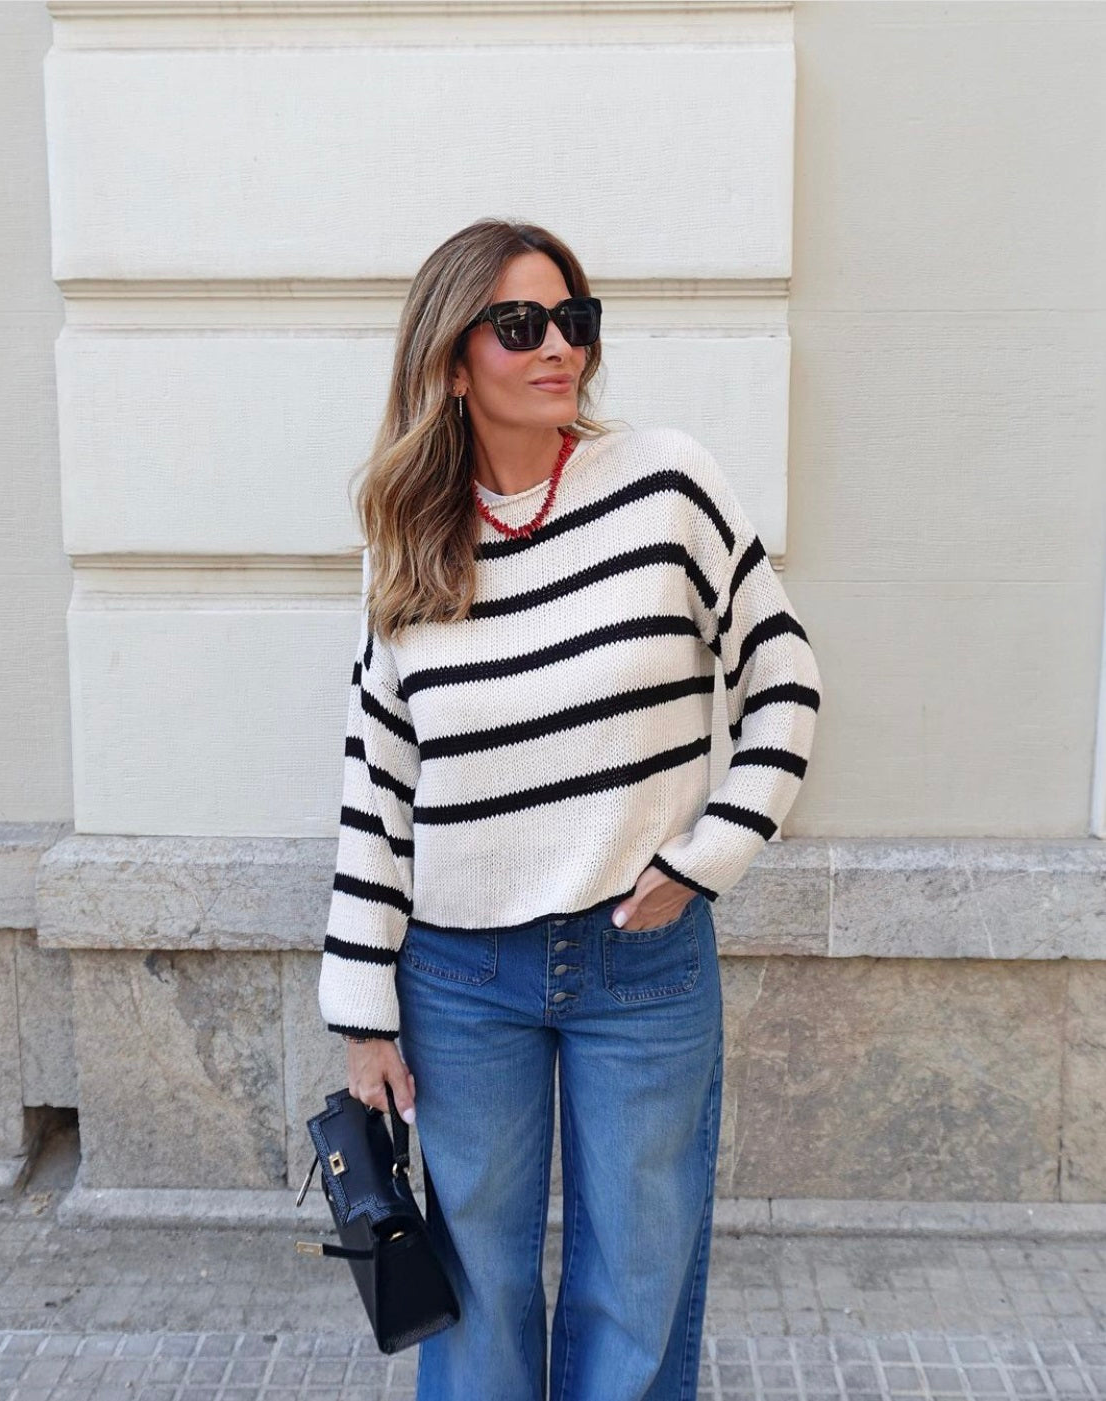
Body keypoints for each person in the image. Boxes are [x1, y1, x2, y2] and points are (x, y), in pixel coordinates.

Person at [317, 218, 822, 1401]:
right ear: (452, 359)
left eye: (573, 320)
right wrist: (361, 1014)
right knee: (475, 1289)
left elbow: (784, 678)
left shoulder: (664, 484)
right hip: (458, 976)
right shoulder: (409, 540)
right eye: (519, 325)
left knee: (637, 1278)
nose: (557, 348)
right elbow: (378, 786)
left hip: (638, 959)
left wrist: (708, 855)